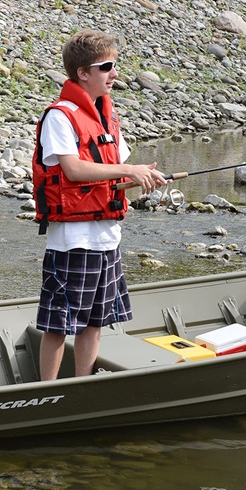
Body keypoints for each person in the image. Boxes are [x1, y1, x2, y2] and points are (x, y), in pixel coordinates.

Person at [31, 30, 168, 381]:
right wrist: (129, 169)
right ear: (82, 73)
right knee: (59, 324)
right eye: (107, 67)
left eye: (115, 66)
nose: (115, 74)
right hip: (73, 240)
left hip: (107, 237)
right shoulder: (59, 116)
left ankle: (82, 386)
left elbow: (110, 176)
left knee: (94, 322)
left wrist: (141, 177)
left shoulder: (108, 115)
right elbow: (73, 170)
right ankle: (45, 392)